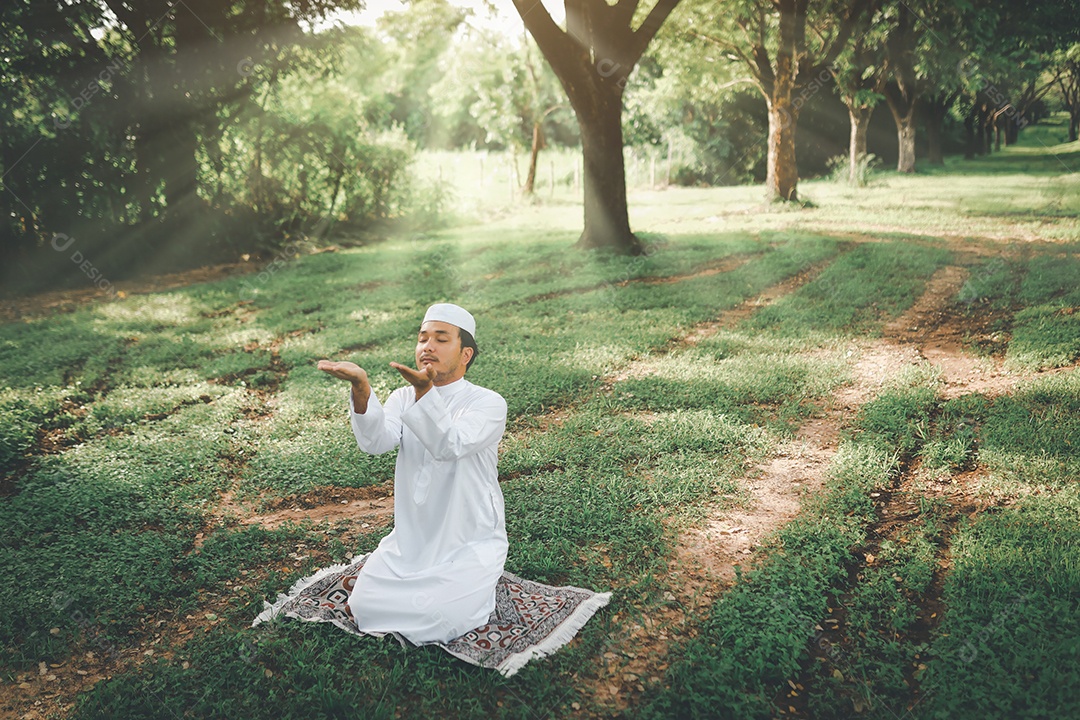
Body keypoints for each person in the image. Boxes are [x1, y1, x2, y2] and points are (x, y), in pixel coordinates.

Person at [316, 303, 508, 644]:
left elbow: (449, 444)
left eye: (440, 339)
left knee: (445, 618)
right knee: (363, 604)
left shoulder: (488, 403)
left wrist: (424, 392)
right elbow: (376, 441)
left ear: (465, 354)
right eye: (422, 339)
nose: (427, 347)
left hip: (467, 538)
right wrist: (361, 387)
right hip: (411, 540)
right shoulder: (403, 396)